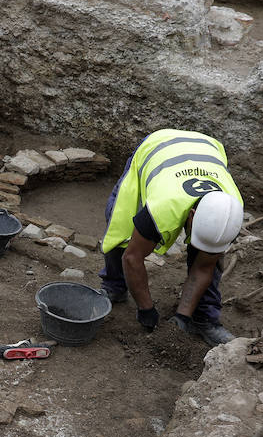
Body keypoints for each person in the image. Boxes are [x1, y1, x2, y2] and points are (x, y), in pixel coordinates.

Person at [99, 129, 244, 346]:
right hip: (156, 148)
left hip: (207, 150)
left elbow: (204, 267)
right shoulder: (161, 209)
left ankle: (203, 318)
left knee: (209, 258)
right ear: (192, 216)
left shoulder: (230, 210)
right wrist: (146, 308)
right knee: (120, 225)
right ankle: (115, 286)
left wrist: (182, 316)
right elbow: (133, 258)